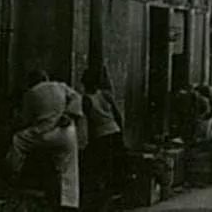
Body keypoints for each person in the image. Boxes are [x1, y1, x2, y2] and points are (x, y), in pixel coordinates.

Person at [7, 70, 84, 210]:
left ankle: (13, 172)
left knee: (18, 140)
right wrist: (68, 114)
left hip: (42, 134)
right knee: (69, 166)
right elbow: (77, 97)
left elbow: (26, 119)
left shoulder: (30, 94)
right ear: (46, 78)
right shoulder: (61, 86)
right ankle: (69, 202)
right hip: (65, 132)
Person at [80, 67, 125, 210]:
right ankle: (114, 199)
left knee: (100, 169)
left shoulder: (86, 99)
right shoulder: (105, 94)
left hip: (101, 136)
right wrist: (121, 132)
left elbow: (89, 123)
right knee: (114, 167)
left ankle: (102, 202)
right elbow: (118, 115)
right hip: (115, 132)